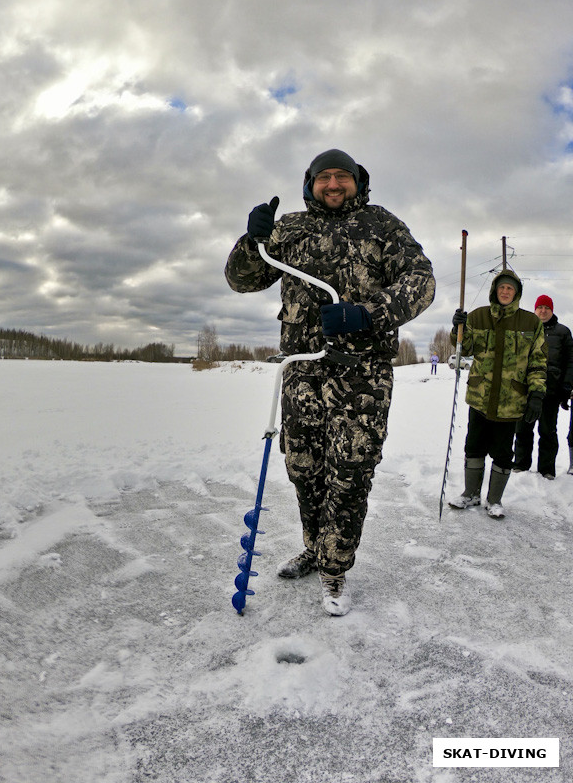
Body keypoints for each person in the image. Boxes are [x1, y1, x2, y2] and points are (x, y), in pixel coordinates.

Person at [225, 149, 435, 616]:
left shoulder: (382, 224)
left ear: (358, 182)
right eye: (325, 178)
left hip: (362, 375)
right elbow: (241, 279)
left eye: (343, 177)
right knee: (303, 467)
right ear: (310, 184)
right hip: (302, 370)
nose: (334, 184)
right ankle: (315, 546)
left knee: (350, 471)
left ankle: (335, 569)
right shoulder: (293, 228)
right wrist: (250, 240)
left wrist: (366, 314)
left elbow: (421, 281)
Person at [449, 270, 547, 519]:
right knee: (474, 446)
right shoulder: (479, 315)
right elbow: (465, 347)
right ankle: (471, 493)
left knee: (503, 452)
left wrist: (536, 393)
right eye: (502, 288)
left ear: (517, 293)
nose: (505, 292)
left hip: (510, 400)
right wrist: (458, 326)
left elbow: (538, 361)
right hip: (480, 397)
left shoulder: (530, 323)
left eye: (510, 289)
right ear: (495, 290)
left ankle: (494, 500)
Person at [512, 295, 573, 479]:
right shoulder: (526, 329)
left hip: (551, 391)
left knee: (548, 431)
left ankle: (546, 470)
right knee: (522, 429)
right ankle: (520, 465)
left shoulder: (563, 332)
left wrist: (566, 387)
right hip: (526, 390)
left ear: (552, 310)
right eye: (540, 307)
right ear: (535, 309)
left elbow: (570, 362)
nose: (543, 311)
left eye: (547, 307)